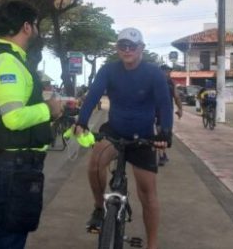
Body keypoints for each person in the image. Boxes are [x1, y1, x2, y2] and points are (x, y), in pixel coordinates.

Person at [74, 27, 172, 249]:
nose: (127, 50)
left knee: (148, 193)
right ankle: (99, 208)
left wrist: (165, 132)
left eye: (132, 46)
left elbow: (165, 105)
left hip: (144, 137)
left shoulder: (153, 73)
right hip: (115, 131)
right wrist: (81, 122)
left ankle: (152, 244)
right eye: (122, 46)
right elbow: (93, 96)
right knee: (95, 163)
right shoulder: (109, 70)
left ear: (141, 49)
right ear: (117, 48)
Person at [0, 0, 63, 249]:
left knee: (4, 233)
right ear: (26, 27)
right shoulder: (7, 62)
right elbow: (13, 118)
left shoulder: (11, 58)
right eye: (35, 25)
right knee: (8, 238)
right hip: (14, 166)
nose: (36, 31)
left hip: (13, 164)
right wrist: (49, 109)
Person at [157, 64, 182, 166]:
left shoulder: (171, 83)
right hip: (157, 112)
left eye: (168, 71)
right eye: (165, 71)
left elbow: (177, 97)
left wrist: (180, 109)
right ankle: (162, 155)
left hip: (165, 113)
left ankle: (163, 154)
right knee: (160, 133)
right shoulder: (158, 82)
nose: (167, 73)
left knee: (163, 134)